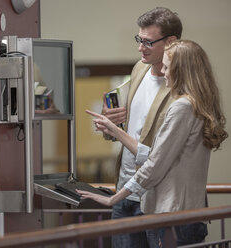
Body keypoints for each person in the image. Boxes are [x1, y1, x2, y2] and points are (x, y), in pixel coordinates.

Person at [78, 40, 228, 247]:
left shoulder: (181, 107)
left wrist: (114, 198)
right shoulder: (197, 103)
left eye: (167, 67)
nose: (163, 72)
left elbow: (155, 164)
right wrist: (114, 130)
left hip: (171, 216)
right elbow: (158, 156)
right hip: (186, 213)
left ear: (181, 70)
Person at [100, 7, 183, 248]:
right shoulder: (139, 68)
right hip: (125, 191)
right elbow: (134, 128)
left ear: (171, 42)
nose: (140, 48)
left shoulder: (183, 87)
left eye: (147, 42)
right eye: (139, 39)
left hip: (158, 198)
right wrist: (113, 124)